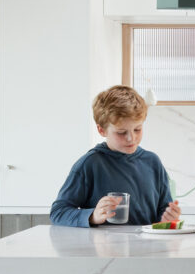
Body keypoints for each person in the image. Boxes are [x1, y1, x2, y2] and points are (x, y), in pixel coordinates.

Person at [51, 84, 184, 227]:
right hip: (103, 248)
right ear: (102, 130)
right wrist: (92, 216)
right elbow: (58, 212)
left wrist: (168, 219)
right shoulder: (90, 164)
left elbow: (163, 213)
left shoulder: (152, 162)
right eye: (121, 132)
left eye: (137, 129)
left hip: (147, 248)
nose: (131, 138)